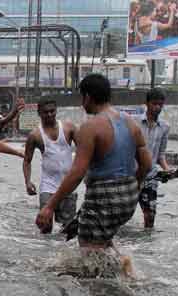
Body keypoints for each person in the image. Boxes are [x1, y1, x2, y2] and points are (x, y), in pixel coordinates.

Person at [35, 73, 152, 278]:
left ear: (87, 97)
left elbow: (77, 172)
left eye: (82, 97)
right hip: (129, 198)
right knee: (104, 241)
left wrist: (50, 206)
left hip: (102, 197)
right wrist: (133, 186)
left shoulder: (90, 127)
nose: (82, 103)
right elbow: (147, 164)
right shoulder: (131, 123)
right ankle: (127, 271)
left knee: (90, 257)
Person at [23, 97, 79, 232]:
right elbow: (27, 161)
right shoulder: (35, 135)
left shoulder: (69, 128)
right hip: (47, 187)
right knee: (45, 227)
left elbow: (83, 151)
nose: (49, 115)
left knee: (68, 230)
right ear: (39, 113)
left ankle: (60, 253)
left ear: (56, 111)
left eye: (52, 111)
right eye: (45, 112)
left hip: (68, 186)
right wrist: (28, 182)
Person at [136, 88, 172, 229]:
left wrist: (167, 170)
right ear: (147, 103)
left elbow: (160, 155)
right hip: (132, 176)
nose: (157, 107)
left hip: (151, 177)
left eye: (160, 104)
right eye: (154, 104)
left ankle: (146, 247)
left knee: (150, 216)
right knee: (121, 213)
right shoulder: (135, 123)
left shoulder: (165, 127)